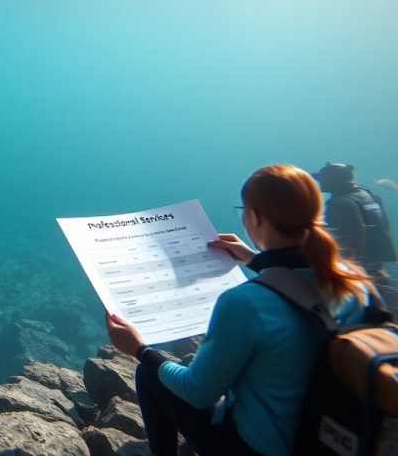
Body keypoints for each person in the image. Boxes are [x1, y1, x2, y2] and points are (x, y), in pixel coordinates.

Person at [106, 164, 376, 456]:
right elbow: (302, 289)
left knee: (150, 373)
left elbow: (197, 393)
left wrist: (138, 349)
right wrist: (254, 258)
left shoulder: (245, 302)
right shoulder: (355, 283)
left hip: (257, 448)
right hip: (332, 440)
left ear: (254, 217)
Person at [313, 162, 397, 308]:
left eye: (324, 178)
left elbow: (351, 240)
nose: (321, 182)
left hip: (359, 272)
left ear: (335, 180)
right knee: (386, 308)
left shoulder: (340, 203)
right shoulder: (366, 194)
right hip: (375, 266)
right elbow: (384, 226)